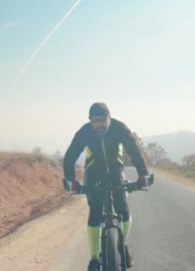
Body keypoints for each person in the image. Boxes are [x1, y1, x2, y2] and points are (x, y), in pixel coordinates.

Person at [63, 102, 150, 271]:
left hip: (115, 172)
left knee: (124, 211)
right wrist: (70, 179)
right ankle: (94, 258)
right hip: (93, 174)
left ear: (109, 118)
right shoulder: (84, 132)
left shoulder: (119, 128)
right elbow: (70, 156)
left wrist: (143, 174)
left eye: (103, 120)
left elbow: (134, 151)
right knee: (95, 214)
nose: (99, 124)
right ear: (90, 121)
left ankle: (121, 246)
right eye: (95, 121)